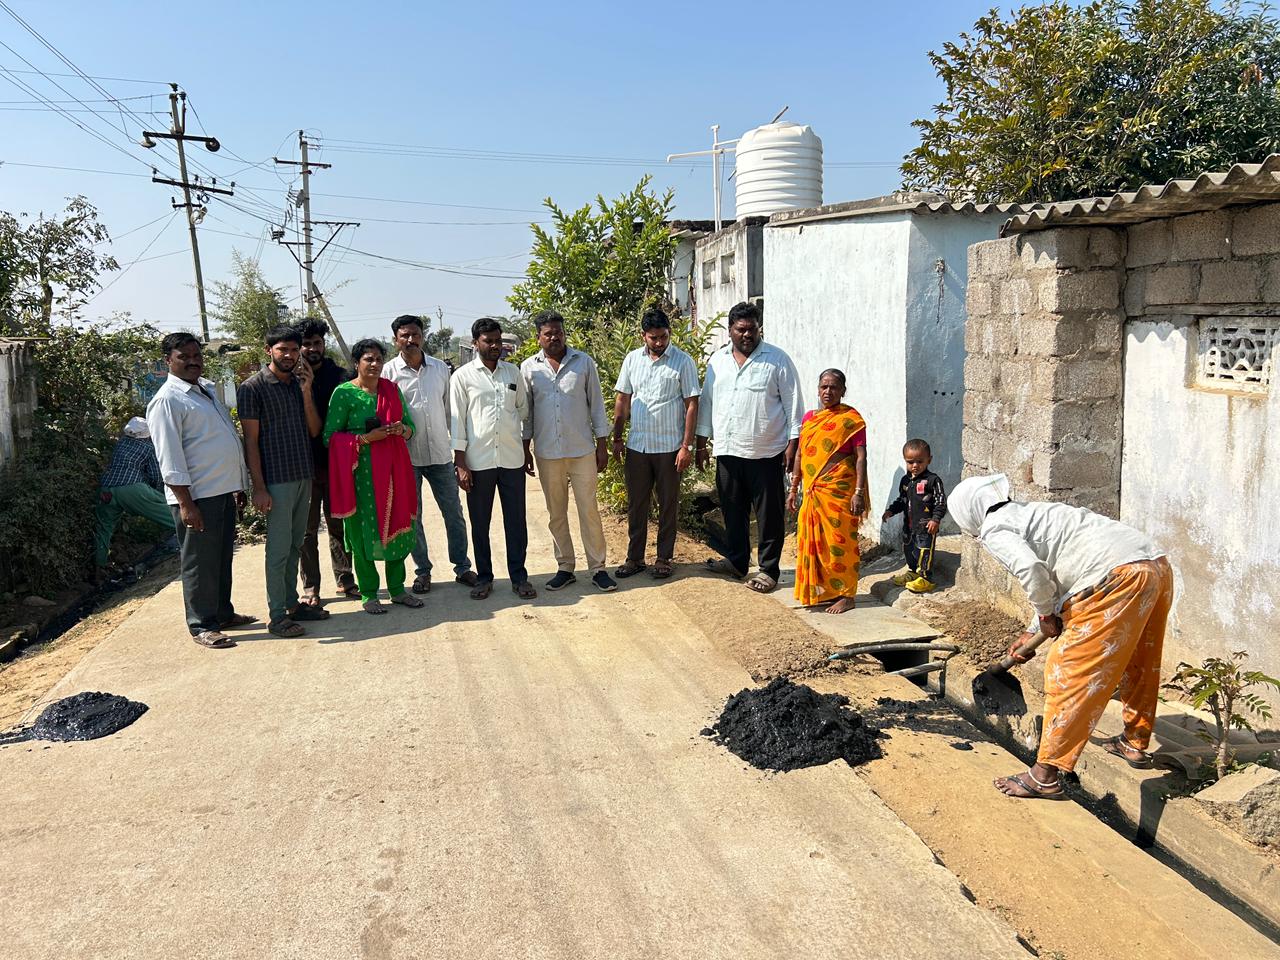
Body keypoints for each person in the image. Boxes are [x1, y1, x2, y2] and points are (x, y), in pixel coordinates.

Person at [948, 473, 1173, 801]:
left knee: (1066, 668)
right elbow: (1056, 577)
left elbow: (1032, 571)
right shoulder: (1034, 513)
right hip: (1154, 566)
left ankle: (1044, 776)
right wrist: (1033, 629)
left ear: (969, 515)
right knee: (1140, 659)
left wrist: (1044, 616)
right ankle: (1133, 742)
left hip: (1117, 577)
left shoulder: (995, 530)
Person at [146, 332, 255, 649]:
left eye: (197, 355)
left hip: (221, 492)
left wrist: (238, 485)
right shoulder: (167, 401)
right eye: (184, 356)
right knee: (198, 563)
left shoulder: (204, 390)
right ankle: (202, 625)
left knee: (220, 559)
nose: (193, 361)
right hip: (197, 498)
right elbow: (170, 459)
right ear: (168, 361)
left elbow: (222, 439)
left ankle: (222, 613)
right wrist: (186, 504)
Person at [696, 301, 803, 593]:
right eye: (741, 329)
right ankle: (737, 561)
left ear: (759, 329)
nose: (747, 335)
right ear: (730, 330)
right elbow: (707, 402)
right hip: (728, 450)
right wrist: (701, 443)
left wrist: (793, 445)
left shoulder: (777, 360)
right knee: (733, 510)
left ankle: (769, 570)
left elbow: (794, 405)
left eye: (752, 329)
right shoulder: (718, 361)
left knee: (769, 516)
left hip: (766, 452)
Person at [238, 324, 328, 638]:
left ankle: (292, 604)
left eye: (293, 350)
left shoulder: (297, 384)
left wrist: (306, 391)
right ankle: (277, 616)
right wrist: (259, 487)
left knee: (294, 545)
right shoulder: (253, 387)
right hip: (276, 481)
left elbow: (314, 430)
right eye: (282, 350)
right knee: (277, 550)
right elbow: (251, 441)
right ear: (269, 351)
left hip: (302, 474)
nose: (289, 355)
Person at [322, 338, 423, 614]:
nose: (375, 364)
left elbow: (411, 427)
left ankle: (397, 589)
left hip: (394, 472)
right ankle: (369, 593)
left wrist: (402, 430)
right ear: (356, 363)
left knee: (398, 527)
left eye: (379, 359)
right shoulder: (344, 393)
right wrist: (365, 439)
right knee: (363, 532)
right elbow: (330, 437)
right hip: (361, 475)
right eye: (369, 359)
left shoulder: (391, 389)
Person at [520, 310, 616, 593]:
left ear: (564, 334)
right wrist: (525, 448)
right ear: (538, 337)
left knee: (589, 510)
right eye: (548, 333)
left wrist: (602, 445)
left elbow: (596, 405)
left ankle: (598, 568)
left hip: (582, 450)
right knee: (556, 513)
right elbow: (527, 413)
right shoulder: (529, 368)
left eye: (558, 332)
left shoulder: (583, 362)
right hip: (547, 452)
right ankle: (565, 567)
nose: (554, 338)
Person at [381, 314, 477, 594]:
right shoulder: (388, 373)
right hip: (406, 458)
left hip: (440, 454)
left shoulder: (439, 368)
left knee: (454, 513)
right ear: (395, 340)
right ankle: (422, 571)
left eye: (415, 334)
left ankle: (462, 567)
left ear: (423, 337)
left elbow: (451, 412)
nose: (410, 340)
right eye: (404, 335)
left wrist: (460, 454)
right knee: (413, 518)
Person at [612, 307, 701, 580]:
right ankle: (635, 558)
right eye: (654, 338)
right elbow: (622, 399)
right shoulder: (632, 360)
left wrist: (686, 446)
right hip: (637, 446)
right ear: (643, 336)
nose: (660, 342)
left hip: (670, 448)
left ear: (669, 333)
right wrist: (617, 438)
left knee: (668, 505)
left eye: (663, 336)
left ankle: (664, 558)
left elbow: (691, 404)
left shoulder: (683, 362)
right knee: (637, 504)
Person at [451, 317, 535, 601]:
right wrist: (461, 463)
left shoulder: (513, 373)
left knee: (516, 522)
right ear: (476, 343)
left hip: (511, 460)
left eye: (498, 341)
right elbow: (457, 421)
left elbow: (523, 410)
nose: (495, 346)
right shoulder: (462, 377)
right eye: (488, 341)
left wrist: (523, 448)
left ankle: (519, 577)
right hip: (478, 461)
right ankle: (484, 578)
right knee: (480, 523)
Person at [787, 369, 869, 614]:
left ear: (843, 391)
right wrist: (793, 488)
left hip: (839, 490)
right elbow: (800, 454)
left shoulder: (851, 420)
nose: (828, 391)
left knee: (840, 542)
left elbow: (861, 457)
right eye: (824, 386)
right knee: (815, 543)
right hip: (813, 492)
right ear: (818, 389)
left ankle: (847, 594)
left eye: (834, 387)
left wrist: (858, 492)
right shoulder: (809, 419)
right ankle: (824, 592)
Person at [296, 318, 359, 604]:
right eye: (306, 344)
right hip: (303, 467)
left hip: (335, 465)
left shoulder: (340, 377)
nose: (312, 349)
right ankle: (310, 587)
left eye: (317, 343)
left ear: (324, 344)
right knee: (306, 530)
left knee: (339, 526)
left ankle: (345, 580)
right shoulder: (290, 378)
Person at [92, 417, 173, 581]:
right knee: (171, 511)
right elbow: (156, 476)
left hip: (106, 490)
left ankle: (98, 570)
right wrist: (159, 493)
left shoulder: (121, 443)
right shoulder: (148, 447)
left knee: (104, 529)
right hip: (133, 489)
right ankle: (196, 533)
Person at [883, 439, 947, 594]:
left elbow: (941, 502)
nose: (915, 465)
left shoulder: (933, 480)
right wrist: (891, 511)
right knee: (909, 550)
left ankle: (925, 578)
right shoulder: (905, 480)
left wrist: (935, 519)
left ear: (929, 460)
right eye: (910, 462)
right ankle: (912, 572)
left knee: (924, 551)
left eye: (920, 461)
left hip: (926, 526)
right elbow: (902, 500)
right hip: (909, 526)